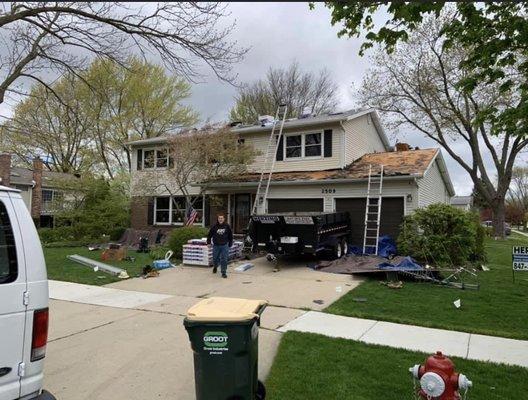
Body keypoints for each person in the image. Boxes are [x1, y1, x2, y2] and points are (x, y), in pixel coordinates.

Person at [207, 213, 233, 278]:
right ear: (218, 219)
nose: (220, 219)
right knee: (215, 258)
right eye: (219, 218)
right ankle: (215, 266)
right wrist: (208, 242)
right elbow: (209, 235)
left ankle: (223, 272)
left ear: (224, 219)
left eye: (222, 218)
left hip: (224, 245)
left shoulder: (227, 226)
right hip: (216, 245)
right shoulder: (214, 226)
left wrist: (230, 243)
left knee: (224, 259)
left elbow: (230, 235)